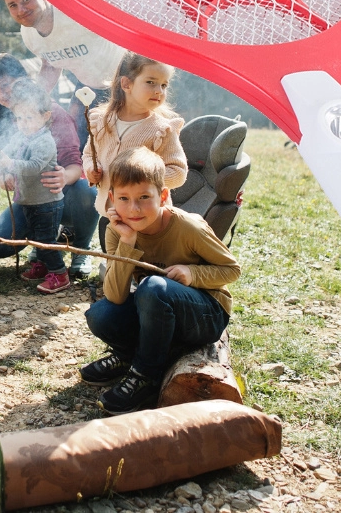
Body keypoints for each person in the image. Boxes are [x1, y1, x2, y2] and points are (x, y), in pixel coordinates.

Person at [80, 147, 240, 414]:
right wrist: (128, 241)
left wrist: (193, 274)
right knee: (100, 315)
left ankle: (145, 375)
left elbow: (232, 270)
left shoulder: (188, 226)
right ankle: (128, 356)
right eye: (124, 198)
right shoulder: (117, 230)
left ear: (163, 196)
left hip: (205, 314)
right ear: (112, 199)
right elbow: (116, 296)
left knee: (153, 287)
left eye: (144, 197)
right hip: (157, 311)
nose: (134, 208)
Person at [0, 54, 98, 277]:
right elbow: (0, 161)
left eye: (5, 85)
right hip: (31, 199)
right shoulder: (2, 119)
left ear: (22, 79)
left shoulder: (51, 113)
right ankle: (47, 241)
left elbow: (75, 164)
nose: (1, 94)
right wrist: (3, 176)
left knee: (87, 191)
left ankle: (81, 248)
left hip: (61, 195)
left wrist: (64, 176)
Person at [0, 0, 124, 145]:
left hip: (125, 81)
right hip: (88, 87)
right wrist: (33, 101)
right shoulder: (28, 35)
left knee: (125, 144)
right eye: (12, 5)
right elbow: (51, 65)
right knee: (75, 140)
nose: (21, 10)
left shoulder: (73, 10)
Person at [82, 52, 188, 251]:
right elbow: (89, 154)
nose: (159, 91)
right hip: (111, 214)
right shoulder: (102, 121)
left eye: (164, 85)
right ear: (126, 84)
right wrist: (91, 169)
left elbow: (178, 173)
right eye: (151, 82)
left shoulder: (161, 130)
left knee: (142, 265)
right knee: (115, 264)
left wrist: (141, 178)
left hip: (148, 222)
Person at [0, 79, 71, 294]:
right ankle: (43, 266)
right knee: (36, 237)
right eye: (19, 118)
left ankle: (60, 274)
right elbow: (8, 149)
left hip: (46, 202)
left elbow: (34, 167)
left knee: (45, 240)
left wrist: (10, 164)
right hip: (29, 200)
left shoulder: (44, 141)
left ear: (45, 116)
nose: (23, 123)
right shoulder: (22, 136)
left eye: (29, 117)